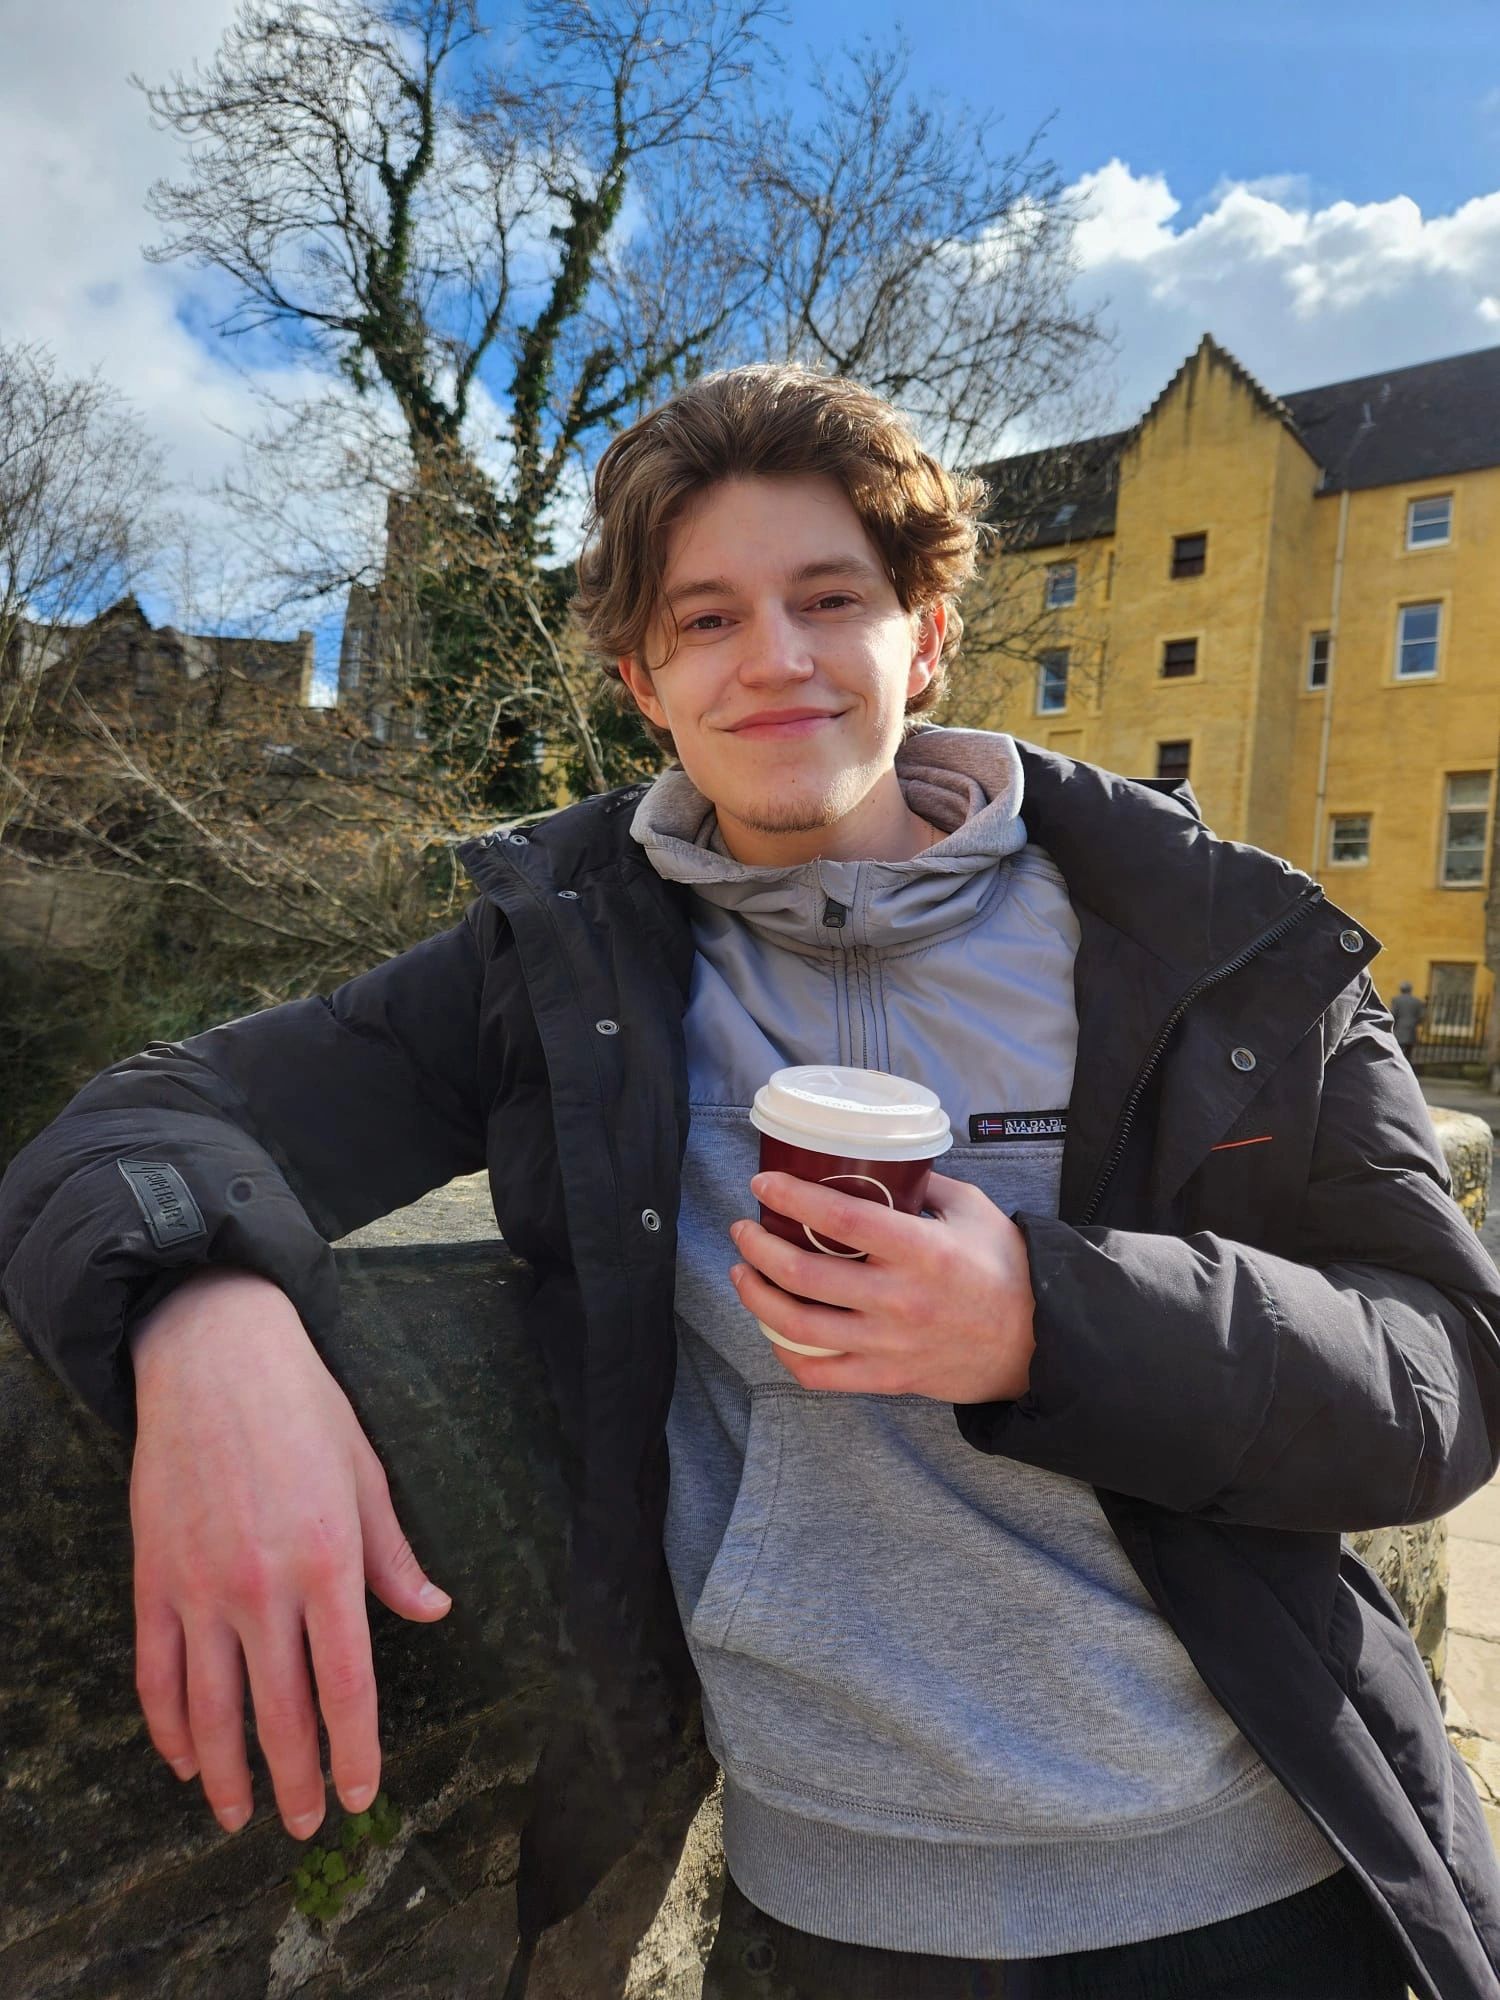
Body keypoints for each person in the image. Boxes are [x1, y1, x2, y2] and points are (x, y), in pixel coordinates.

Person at [1, 365, 1498, 2000]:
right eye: (705, 620)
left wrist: (1044, 1321)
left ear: (924, 636)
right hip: (826, 1925)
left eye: (828, 598)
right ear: (642, 678)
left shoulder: (1209, 942)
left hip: (1265, 1881)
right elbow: (152, 1117)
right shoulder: (559, 962)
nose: (773, 658)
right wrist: (207, 1320)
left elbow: (1440, 1374)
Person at [1392, 981, 1427, 1064]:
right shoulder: (1417, 1001)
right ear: (1410, 990)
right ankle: (1407, 1067)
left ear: (1401, 990)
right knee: (1409, 1052)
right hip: (1412, 1029)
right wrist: (1415, 1022)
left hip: (1399, 1028)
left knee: (1397, 1050)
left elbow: (1393, 1014)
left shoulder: (1396, 1000)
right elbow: (1422, 1017)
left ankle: (1398, 1065)